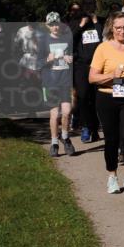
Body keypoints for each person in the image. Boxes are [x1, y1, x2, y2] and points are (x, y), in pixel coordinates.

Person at [89, 11, 124, 195]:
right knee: (112, 139)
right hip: (107, 97)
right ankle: (112, 176)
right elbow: (92, 77)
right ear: (111, 28)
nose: (122, 31)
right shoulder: (103, 48)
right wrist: (111, 76)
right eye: (118, 28)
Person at [41, 12, 75, 157]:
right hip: (50, 82)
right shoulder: (43, 40)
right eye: (52, 24)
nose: (55, 27)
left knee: (67, 112)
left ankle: (65, 138)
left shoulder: (67, 38)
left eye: (56, 24)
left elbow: (74, 55)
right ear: (47, 25)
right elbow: (36, 61)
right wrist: (47, 59)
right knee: (54, 115)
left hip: (65, 80)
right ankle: (54, 143)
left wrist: (70, 58)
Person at [73, 0, 104, 143]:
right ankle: (86, 126)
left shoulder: (101, 21)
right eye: (86, 4)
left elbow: (104, 39)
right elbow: (70, 39)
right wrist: (81, 25)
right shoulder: (76, 21)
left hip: (98, 66)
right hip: (81, 65)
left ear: (95, 6)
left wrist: (96, 22)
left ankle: (95, 128)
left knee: (98, 99)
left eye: (91, 4)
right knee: (83, 97)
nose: (89, 6)